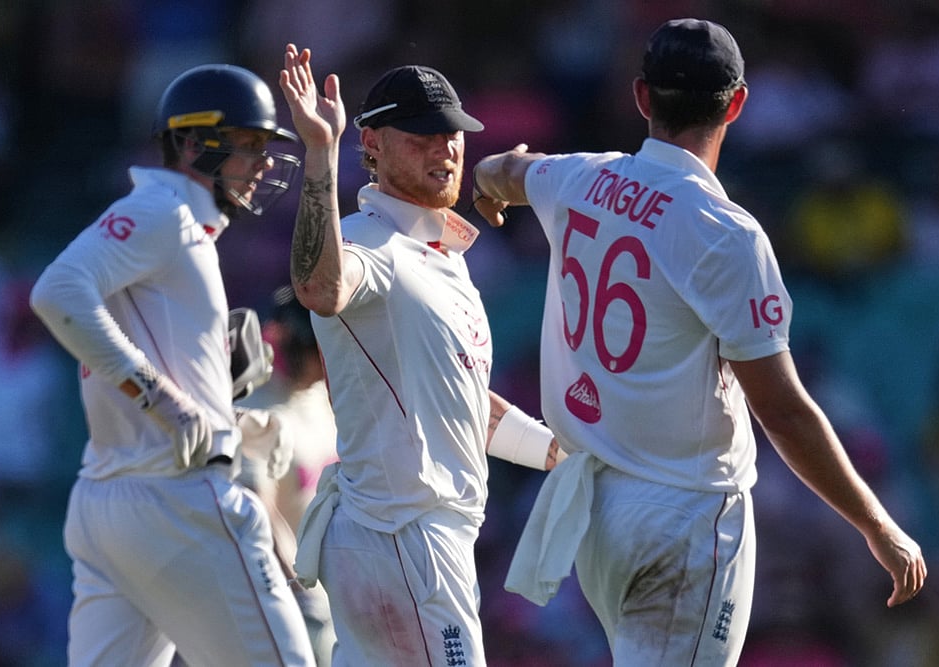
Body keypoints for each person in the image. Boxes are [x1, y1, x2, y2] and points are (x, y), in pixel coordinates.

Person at [470, 18, 927, 666]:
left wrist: (489, 187)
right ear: (737, 103)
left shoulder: (576, 177)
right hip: (683, 520)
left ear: (641, 97)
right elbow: (786, 412)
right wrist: (877, 525)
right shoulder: (724, 232)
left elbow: (503, 168)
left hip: (598, 515)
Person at [278, 44, 564, 666]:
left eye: (454, 134)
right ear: (373, 142)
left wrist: (556, 453)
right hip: (403, 536)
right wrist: (321, 155)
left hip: (407, 540)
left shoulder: (439, 257)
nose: (447, 148)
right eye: (423, 135)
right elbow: (319, 288)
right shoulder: (368, 243)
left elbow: (458, 400)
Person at [29, 63, 317, 666]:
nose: (263, 164)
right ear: (192, 142)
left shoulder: (181, 227)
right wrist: (161, 398)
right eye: (249, 145)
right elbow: (57, 292)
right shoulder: (165, 211)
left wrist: (229, 424)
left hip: (110, 504)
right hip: (177, 501)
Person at [236, 285, 340, 667]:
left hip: (336, 593)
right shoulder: (254, 406)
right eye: (320, 352)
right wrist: (298, 583)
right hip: (286, 598)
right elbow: (256, 510)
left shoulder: (321, 397)